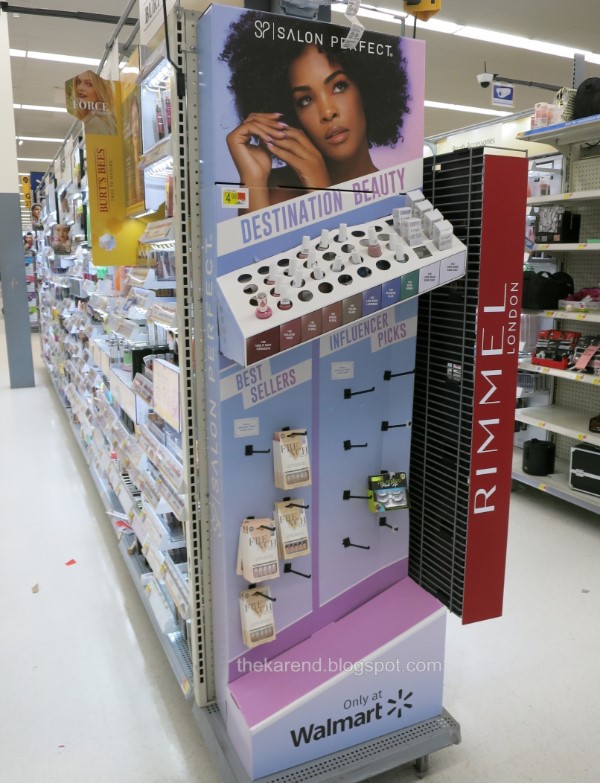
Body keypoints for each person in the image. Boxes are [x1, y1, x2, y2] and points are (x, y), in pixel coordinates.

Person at [220, 12, 409, 213]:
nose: (327, 112)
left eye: (339, 87)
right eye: (306, 100)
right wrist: (252, 178)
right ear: (290, 113)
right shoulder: (274, 189)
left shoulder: (395, 193)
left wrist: (321, 192)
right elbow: (246, 241)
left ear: (367, 88)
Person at [66, 71, 117, 136]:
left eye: (89, 84)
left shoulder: (94, 123)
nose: (80, 88)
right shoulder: (109, 121)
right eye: (78, 82)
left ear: (100, 90)